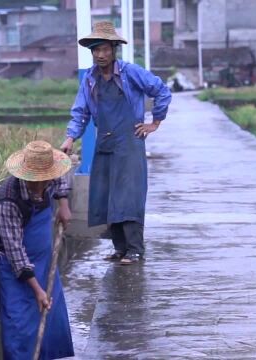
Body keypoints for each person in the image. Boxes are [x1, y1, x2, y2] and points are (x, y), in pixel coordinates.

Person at [60, 21, 172, 265]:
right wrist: (70, 138)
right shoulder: (89, 80)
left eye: (105, 49)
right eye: (96, 50)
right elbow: (80, 113)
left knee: (128, 195)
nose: (101, 55)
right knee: (108, 196)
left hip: (129, 142)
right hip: (105, 142)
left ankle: (135, 250)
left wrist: (155, 123)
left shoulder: (131, 73)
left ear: (114, 50)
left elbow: (162, 91)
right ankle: (119, 248)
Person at [0, 140, 75, 360]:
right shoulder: (8, 200)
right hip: (16, 270)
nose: (42, 185)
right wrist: (38, 290)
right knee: (19, 328)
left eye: (46, 179)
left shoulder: (50, 176)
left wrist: (64, 205)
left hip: (45, 259)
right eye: (36, 181)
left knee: (50, 323)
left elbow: (63, 178)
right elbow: (15, 253)